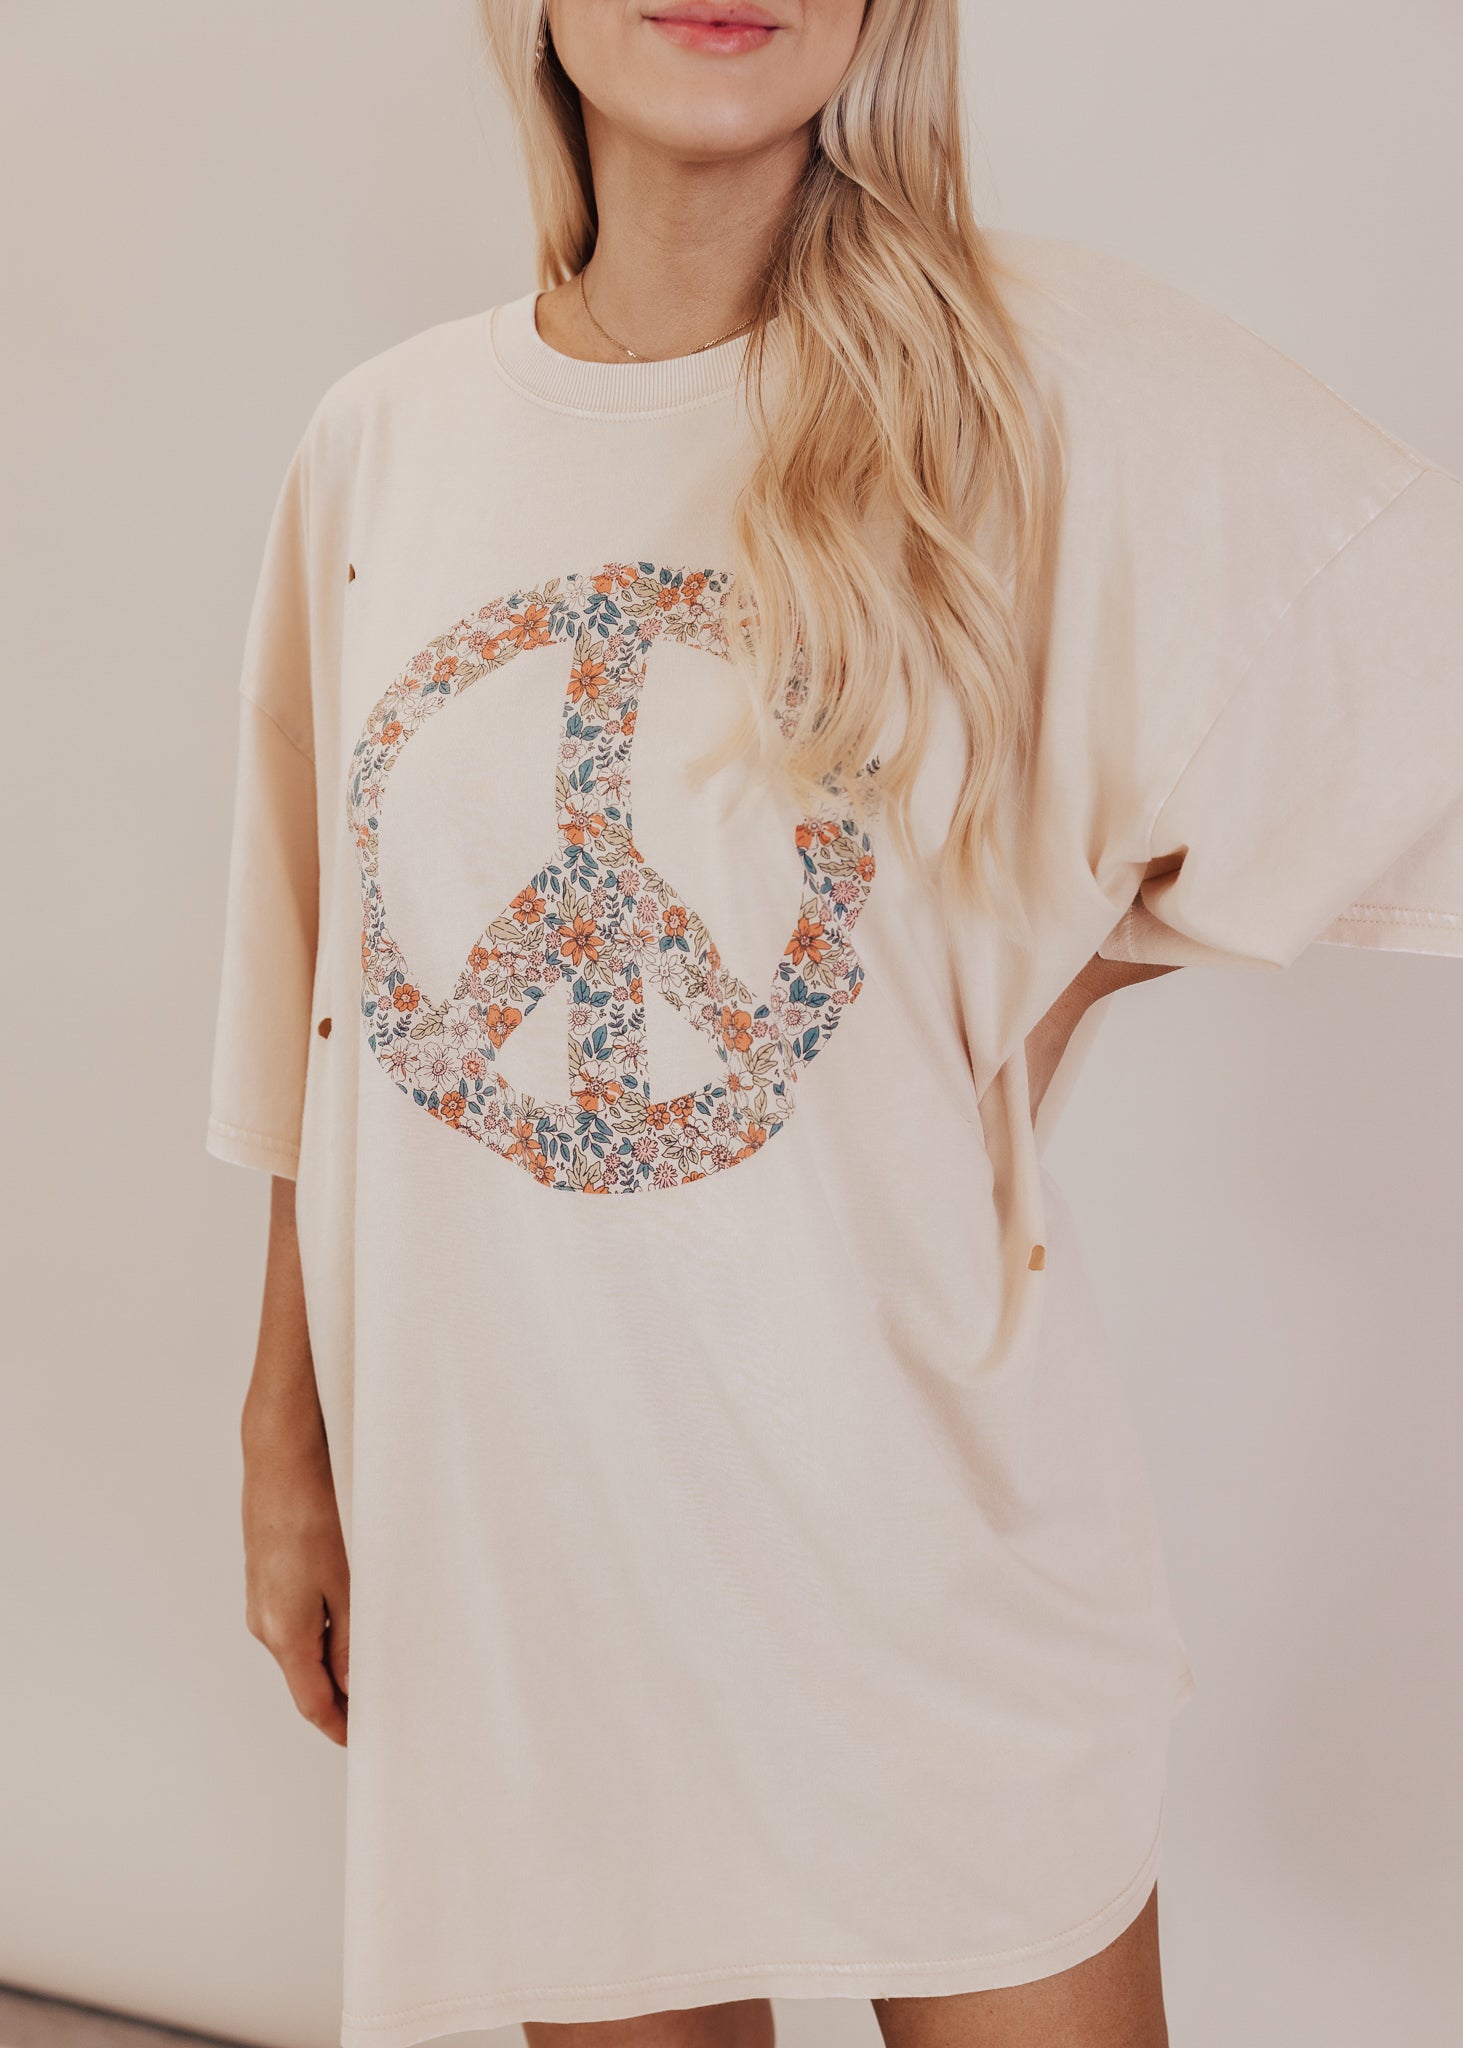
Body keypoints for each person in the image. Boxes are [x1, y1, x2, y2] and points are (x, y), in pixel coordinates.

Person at [204, 5, 1463, 2046]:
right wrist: (289, 1433)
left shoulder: (1035, 387)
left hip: (914, 1518)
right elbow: (326, 982)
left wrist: (1067, 953)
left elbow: (1405, 668)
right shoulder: (387, 438)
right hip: (533, 1520)